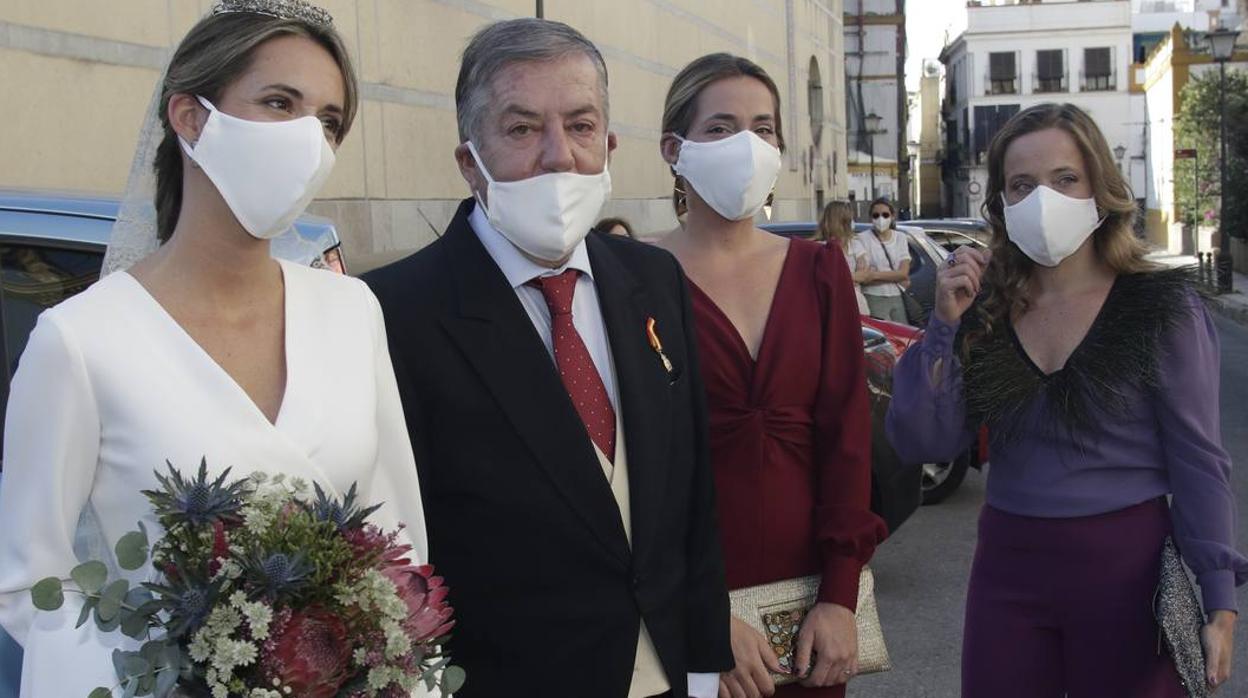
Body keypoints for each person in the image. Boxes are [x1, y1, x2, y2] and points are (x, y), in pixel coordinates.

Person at [0, 3, 429, 695]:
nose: (309, 140)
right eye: (279, 103)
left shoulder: (351, 312)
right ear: (191, 118)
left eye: (328, 121)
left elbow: (396, 536)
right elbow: (28, 586)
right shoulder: (80, 341)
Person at [363, 19, 733, 698]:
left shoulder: (653, 281)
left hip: (671, 673)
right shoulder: (394, 312)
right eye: (523, 128)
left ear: (609, 144)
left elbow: (692, 493)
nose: (559, 156)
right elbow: (400, 546)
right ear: (469, 160)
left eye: (582, 126)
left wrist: (707, 662)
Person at [886, 103, 1247, 697]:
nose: (1042, 198)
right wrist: (944, 327)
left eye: (1065, 179)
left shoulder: (1161, 307)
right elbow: (925, 442)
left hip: (1128, 575)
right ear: (1000, 204)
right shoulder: (981, 307)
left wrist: (1219, 599)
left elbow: (1198, 459)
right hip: (1008, 571)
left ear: (1099, 191)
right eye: (1022, 185)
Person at [655, 53, 886, 698]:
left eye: (763, 128)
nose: (747, 146)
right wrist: (700, 610)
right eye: (722, 127)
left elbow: (848, 439)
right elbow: (633, 469)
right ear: (675, 148)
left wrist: (840, 594)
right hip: (685, 598)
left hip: (811, 604)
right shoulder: (628, 276)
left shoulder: (820, 271)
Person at [857, 198, 910, 323]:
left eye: (885, 215)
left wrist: (874, 275)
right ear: (871, 218)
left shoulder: (900, 238)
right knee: (883, 337)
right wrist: (894, 276)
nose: (881, 219)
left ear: (892, 216)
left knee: (902, 336)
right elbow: (864, 277)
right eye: (876, 215)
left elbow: (903, 273)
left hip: (897, 296)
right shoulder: (862, 239)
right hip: (873, 297)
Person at [814, 201, 870, 315]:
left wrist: (838, 279)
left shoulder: (855, 245)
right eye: (849, 219)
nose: (852, 222)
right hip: (829, 304)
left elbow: (863, 275)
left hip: (855, 302)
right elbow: (822, 280)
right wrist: (851, 278)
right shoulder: (819, 247)